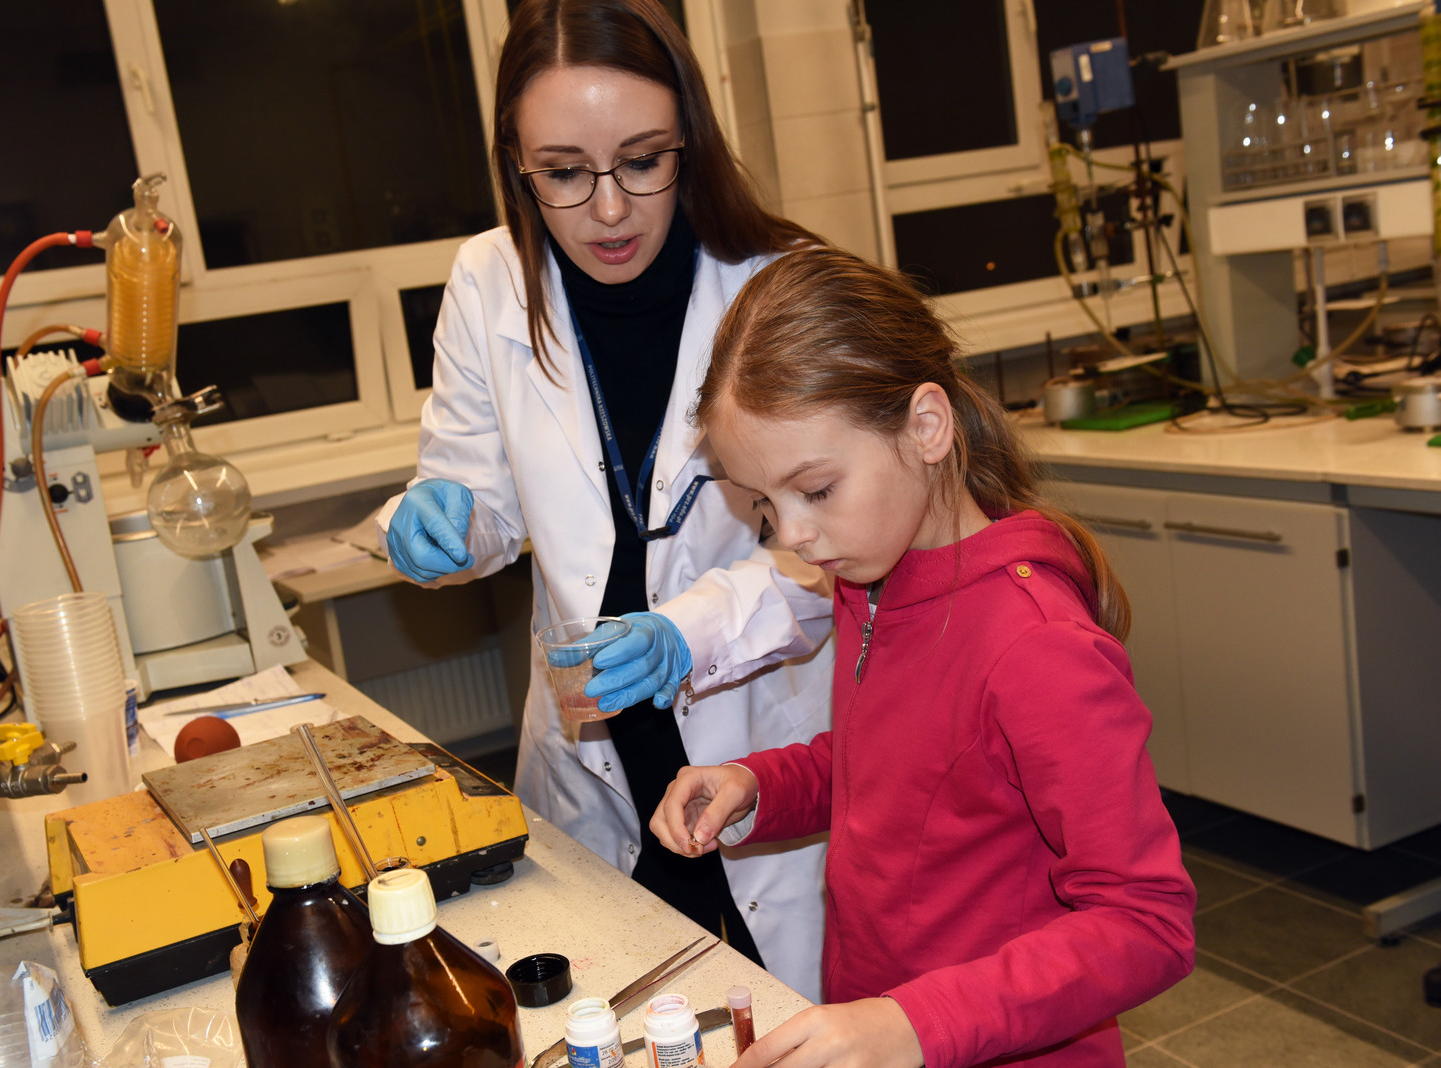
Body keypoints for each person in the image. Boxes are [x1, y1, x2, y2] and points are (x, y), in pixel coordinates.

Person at [368, 0, 833, 999]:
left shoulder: (778, 286)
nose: (610, 209)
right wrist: (442, 519)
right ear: (516, 163)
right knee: (621, 1015)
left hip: (756, 730)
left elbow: (830, 553)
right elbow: (481, 497)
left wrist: (687, 634)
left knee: (785, 1015)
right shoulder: (489, 280)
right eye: (565, 172)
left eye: (642, 160)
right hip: (593, 751)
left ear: (689, 141)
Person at [652, 247, 1197, 1067]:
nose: (792, 534)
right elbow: (891, 770)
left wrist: (913, 1024)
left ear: (927, 427)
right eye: (764, 502)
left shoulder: (1039, 649)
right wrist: (760, 785)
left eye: (817, 490)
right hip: (890, 1029)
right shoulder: (872, 580)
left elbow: (1148, 924)